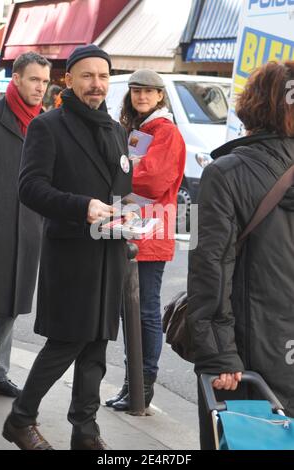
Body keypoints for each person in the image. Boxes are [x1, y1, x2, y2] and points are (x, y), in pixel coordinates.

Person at [2, 44, 132, 450]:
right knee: (66, 342)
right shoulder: (49, 126)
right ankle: (21, 419)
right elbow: (30, 189)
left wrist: (130, 218)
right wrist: (81, 207)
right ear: (69, 80)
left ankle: (85, 430)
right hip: (71, 254)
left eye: (104, 77)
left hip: (110, 252)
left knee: (97, 345)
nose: (97, 85)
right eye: (88, 76)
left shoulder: (117, 130)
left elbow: (120, 192)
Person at [186, 61, 294, 449]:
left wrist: (219, 356)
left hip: (251, 355)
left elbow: (210, 269)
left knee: (248, 442)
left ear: (255, 105)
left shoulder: (226, 173)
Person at [106, 69, 186, 411]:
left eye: (147, 92)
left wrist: (119, 170)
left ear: (159, 97)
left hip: (151, 232)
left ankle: (142, 387)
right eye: (136, 91)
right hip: (132, 227)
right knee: (130, 312)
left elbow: (153, 181)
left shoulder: (166, 133)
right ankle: (132, 386)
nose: (140, 96)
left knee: (146, 312)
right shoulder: (136, 130)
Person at [0, 52, 51, 399]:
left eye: (44, 82)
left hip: (28, 228)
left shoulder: (44, 124)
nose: (40, 88)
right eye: (34, 79)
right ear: (15, 79)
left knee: (10, 304)